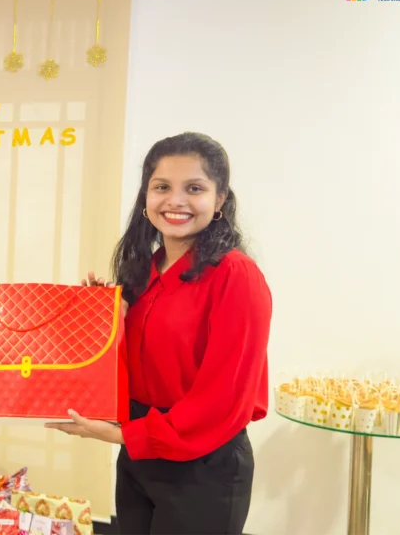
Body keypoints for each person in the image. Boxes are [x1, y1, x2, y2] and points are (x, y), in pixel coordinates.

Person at [47, 132, 272, 535]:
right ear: (145, 196)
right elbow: (137, 364)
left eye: (195, 188)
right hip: (139, 454)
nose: (176, 201)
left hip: (204, 463)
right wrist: (99, 322)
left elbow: (223, 399)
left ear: (220, 200)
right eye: (162, 187)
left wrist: (123, 434)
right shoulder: (142, 272)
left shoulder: (235, 276)